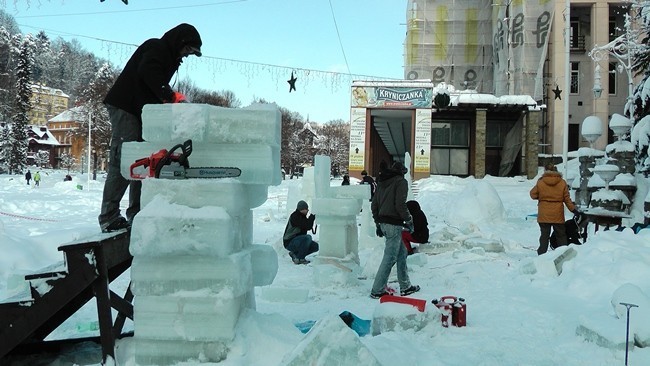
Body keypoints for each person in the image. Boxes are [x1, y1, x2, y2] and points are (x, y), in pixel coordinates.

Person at [98, 23, 202, 233]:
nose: (186, 56)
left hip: (140, 110)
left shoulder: (168, 57)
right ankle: (108, 217)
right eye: (188, 50)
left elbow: (151, 86)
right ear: (180, 42)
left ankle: (137, 213)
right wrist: (169, 96)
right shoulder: (157, 48)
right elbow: (148, 73)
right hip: (125, 106)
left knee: (144, 160)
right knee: (124, 159)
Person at [370, 162, 420, 299]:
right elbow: (400, 204)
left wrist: (378, 223)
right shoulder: (400, 182)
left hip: (384, 223)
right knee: (390, 257)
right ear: (402, 172)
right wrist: (409, 219)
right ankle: (377, 290)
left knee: (402, 252)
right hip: (393, 224)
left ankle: (405, 286)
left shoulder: (382, 182)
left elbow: (374, 205)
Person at [530, 163, 579, 255]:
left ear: (545, 170)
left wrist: (542, 197)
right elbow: (567, 199)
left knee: (544, 235)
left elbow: (533, 194)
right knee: (561, 235)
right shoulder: (562, 182)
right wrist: (574, 210)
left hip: (544, 213)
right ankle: (563, 253)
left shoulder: (541, 182)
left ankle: (541, 254)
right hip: (557, 213)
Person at [283, 200, 319, 264]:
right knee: (307, 238)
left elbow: (307, 225)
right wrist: (312, 217)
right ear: (301, 209)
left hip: (298, 240)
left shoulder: (302, 216)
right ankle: (300, 258)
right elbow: (307, 226)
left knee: (316, 246)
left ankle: (295, 254)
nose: (307, 211)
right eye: (306, 209)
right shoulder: (295, 216)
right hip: (289, 241)